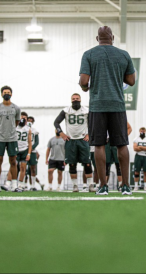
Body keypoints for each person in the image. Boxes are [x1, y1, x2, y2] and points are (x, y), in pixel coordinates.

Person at [79, 26, 135, 195]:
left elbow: (83, 80)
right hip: (117, 105)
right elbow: (131, 80)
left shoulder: (89, 54)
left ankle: (103, 186)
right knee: (121, 144)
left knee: (99, 145)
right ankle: (125, 185)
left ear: (97, 39)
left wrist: (84, 87)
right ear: (112, 38)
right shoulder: (123, 55)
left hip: (97, 105)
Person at [54, 93, 93, 192]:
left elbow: (94, 122)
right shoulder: (66, 110)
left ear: (80, 99)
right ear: (71, 100)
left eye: (77, 98)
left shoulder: (86, 110)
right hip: (70, 140)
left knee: (87, 163)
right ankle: (75, 185)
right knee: (72, 164)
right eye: (73, 99)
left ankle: (90, 185)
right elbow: (56, 122)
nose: (75, 100)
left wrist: (89, 134)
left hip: (83, 139)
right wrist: (61, 133)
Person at [0, 86, 21, 192]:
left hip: (12, 138)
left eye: (8, 92)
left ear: (11, 94)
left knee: (13, 161)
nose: (6, 94)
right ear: (1, 94)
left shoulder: (16, 108)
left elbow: (16, 123)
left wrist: (10, 131)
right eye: (5, 92)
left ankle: (14, 186)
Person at [26, 116, 42, 191]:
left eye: (31, 121)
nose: (29, 122)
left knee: (33, 168)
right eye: (28, 120)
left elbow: (37, 142)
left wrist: (32, 148)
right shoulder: (23, 129)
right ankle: (23, 185)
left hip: (32, 151)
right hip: (24, 150)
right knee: (23, 167)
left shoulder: (34, 130)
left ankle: (32, 185)